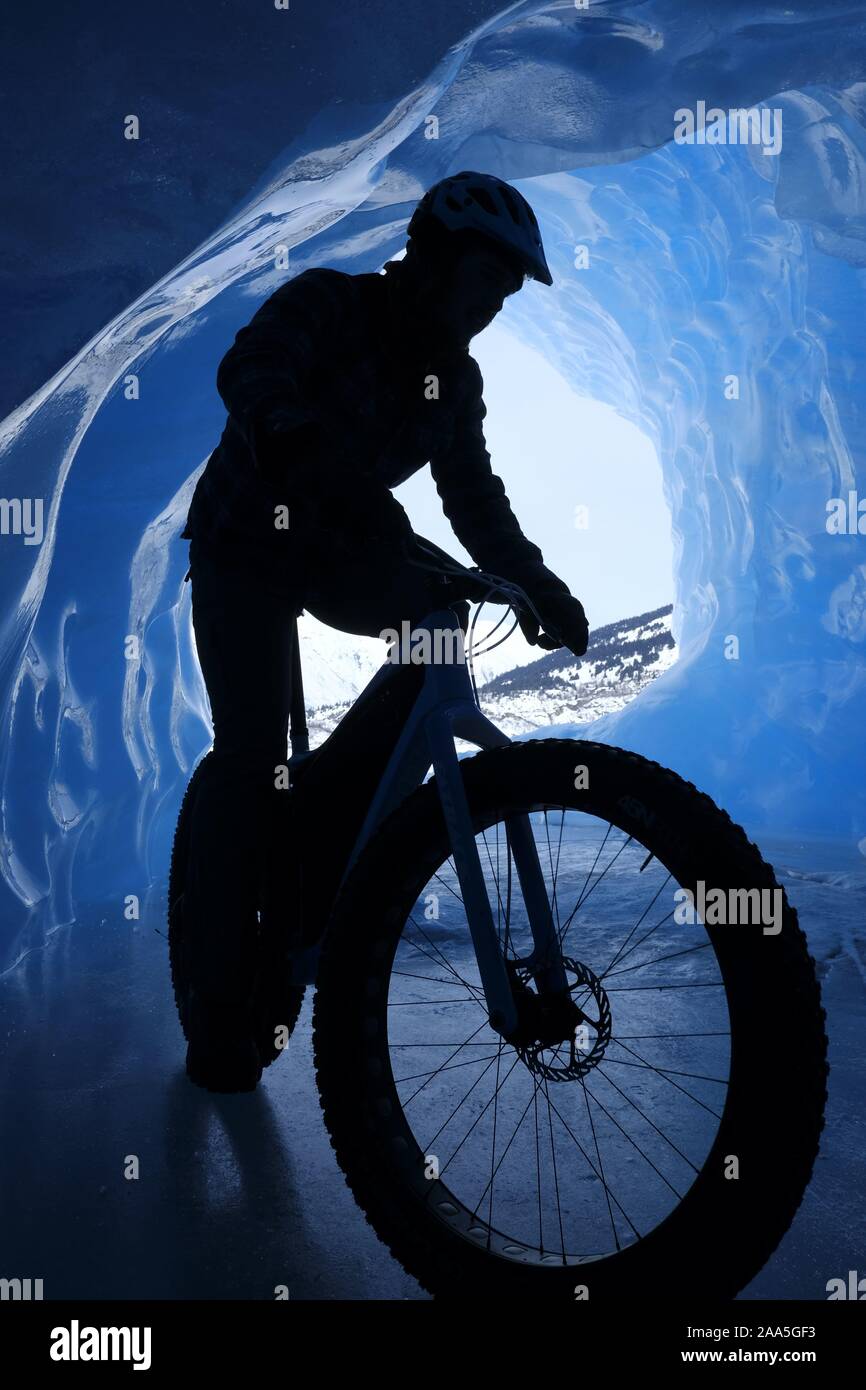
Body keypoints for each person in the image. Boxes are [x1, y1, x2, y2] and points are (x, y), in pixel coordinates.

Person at [179, 170, 589, 1092]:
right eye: (487, 283)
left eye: (507, 296)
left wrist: (540, 585)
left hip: (342, 544)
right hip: (248, 540)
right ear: (436, 258)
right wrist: (289, 433)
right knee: (249, 753)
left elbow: (476, 501)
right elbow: (252, 367)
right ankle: (215, 1008)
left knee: (441, 616)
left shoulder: (457, 380)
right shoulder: (330, 300)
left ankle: (331, 812)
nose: (492, 308)